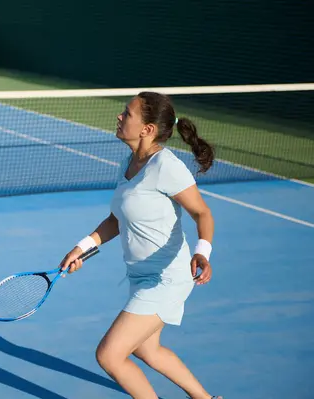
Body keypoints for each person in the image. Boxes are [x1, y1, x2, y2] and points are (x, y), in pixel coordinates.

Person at [59, 91, 221, 399]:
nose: (119, 117)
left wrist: (203, 251)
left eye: (127, 113)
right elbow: (116, 220)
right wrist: (81, 247)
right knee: (149, 350)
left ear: (147, 129)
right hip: (140, 276)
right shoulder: (128, 163)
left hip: (166, 278)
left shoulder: (166, 166)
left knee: (109, 355)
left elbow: (202, 212)